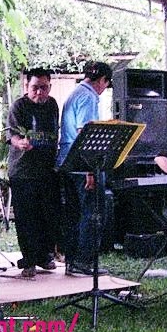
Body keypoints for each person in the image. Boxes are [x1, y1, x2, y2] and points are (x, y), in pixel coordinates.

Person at [57, 61, 112, 276]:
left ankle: (72, 261)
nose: (104, 89)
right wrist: (90, 170)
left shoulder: (75, 93)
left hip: (67, 161)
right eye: (106, 84)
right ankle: (84, 261)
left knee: (73, 213)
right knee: (94, 212)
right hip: (82, 164)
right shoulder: (88, 97)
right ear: (102, 80)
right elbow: (85, 135)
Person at [7, 67, 60, 278]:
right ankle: (28, 260)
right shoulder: (18, 106)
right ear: (26, 86)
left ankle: (45, 256)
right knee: (26, 217)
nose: (39, 92)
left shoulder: (53, 104)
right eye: (35, 88)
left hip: (47, 169)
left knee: (48, 215)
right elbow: (12, 135)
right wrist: (20, 143)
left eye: (44, 88)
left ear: (50, 87)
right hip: (23, 171)